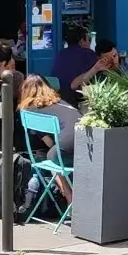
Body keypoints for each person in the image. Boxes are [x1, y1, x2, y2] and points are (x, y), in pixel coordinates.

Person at [16, 75, 81, 206]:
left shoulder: (29, 109)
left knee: (52, 156)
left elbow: (49, 143)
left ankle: (70, 198)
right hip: (86, 145)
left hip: (67, 150)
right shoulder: (61, 102)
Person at [50, 26, 115, 106]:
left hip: (58, 95)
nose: (89, 43)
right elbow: (100, 74)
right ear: (81, 41)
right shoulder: (88, 54)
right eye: (88, 40)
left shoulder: (61, 54)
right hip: (77, 98)